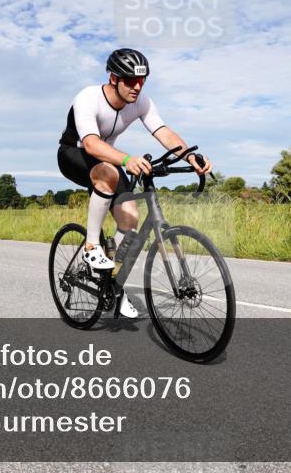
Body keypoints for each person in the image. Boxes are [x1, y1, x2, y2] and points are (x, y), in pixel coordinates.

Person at [57, 48, 213, 318]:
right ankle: (91, 246)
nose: (137, 87)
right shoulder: (88, 97)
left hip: (109, 160)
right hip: (74, 154)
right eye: (130, 80)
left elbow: (163, 131)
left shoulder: (141, 102)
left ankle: (110, 284)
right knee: (109, 172)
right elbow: (92, 144)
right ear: (113, 78)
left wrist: (188, 156)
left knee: (129, 219)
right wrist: (127, 159)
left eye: (142, 81)